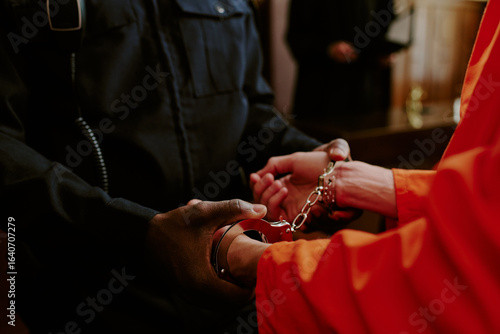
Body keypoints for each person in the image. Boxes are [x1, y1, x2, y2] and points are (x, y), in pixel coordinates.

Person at [0, 1, 349, 333]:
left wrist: (312, 161)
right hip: (93, 295)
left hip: (236, 285)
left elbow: (251, 110)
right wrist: (141, 232)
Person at [224, 1, 500, 332]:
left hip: (364, 90)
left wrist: (248, 260)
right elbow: (485, 195)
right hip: (323, 95)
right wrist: (356, 183)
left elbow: (466, 272)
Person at [287, 0, 397, 129]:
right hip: (320, 94)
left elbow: (385, 25)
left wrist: (384, 51)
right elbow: (296, 38)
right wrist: (328, 49)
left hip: (364, 93)